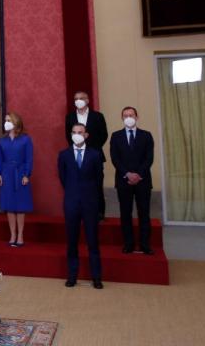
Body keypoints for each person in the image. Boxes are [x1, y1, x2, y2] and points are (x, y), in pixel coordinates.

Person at [58, 123, 104, 289]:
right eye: (74, 132)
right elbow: (62, 178)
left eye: (80, 132)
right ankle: (72, 276)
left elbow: (99, 178)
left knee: (92, 240)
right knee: (71, 241)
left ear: (86, 135)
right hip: (71, 202)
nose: (77, 134)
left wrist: (90, 194)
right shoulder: (64, 155)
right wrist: (73, 192)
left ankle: (96, 277)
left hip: (90, 201)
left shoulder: (95, 155)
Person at [109, 107, 155, 255]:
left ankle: (145, 244)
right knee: (125, 213)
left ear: (137, 117)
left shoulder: (146, 135)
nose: (128, 117)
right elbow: (115, 158)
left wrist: (138, 174)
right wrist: (127, 174)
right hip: (123, 181)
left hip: (143, 181)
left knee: (144, 213)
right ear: (122, 118)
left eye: (131, 115)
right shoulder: (116, 136)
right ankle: (128, 244)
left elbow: (149, 158)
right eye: (125, 115)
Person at [65, 91, 108, 220]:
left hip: (94, 155)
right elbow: (68, 135)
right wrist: (79, 147)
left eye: (81, 98)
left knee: (96, 185)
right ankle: (79, 212)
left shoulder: (98, 116)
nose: (78, 100)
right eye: (76, 98)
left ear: (88, 100)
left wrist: (90, 150)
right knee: (78, 184)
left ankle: (99, 212)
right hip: (77, 155)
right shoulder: (70, 117)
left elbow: (103, 135)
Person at [0, 112, 34, 247]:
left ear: (16, 123)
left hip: (20, 174)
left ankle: (20, 234)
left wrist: (26, 174)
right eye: (5, 120)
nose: (6, 122)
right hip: (6, 174)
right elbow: (0, 158)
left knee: (20, 206)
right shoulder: (2, 140)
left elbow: (29, 159)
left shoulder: (25, 139)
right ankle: (12, 234)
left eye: (8, 120)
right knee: (9, 206)